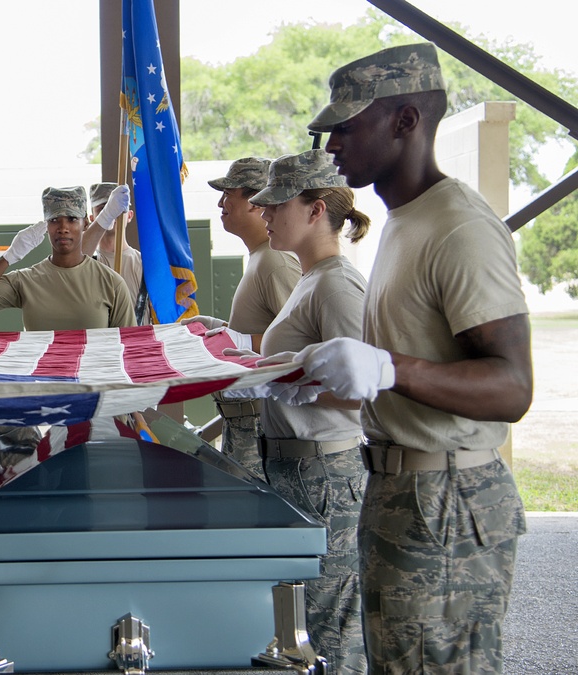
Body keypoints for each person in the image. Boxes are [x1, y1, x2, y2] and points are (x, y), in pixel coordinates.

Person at [296, 43, 532, 672]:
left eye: (348, 125)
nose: (332, 144)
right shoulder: (405, 219)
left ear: (406, 120)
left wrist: (389, 368)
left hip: (447, 499)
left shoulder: (460, 226)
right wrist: (310, 381)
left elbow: (512, 385)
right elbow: (419, 363)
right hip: (400, 488)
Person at [228, 148, 371, 674]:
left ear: (315, 210)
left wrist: (292, 386)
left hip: (326, 470)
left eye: (276, 204)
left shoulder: (335, 283)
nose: (264, 213)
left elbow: (367, 387)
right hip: (294, 465)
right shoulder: (310, 278)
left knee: (332, 629)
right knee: (304, 623)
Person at [184, 158, 302, 475]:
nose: (221, 203)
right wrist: (221, 330)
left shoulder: (276, 262)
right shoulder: (261, 258)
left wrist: (234, 341)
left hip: (262, 426)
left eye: (228, 193)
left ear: (255, 201)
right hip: (245, 423)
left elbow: (303, 342)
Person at [0, 185, 136, 330]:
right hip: (41, 373)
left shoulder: (111, 282)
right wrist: (8, 257)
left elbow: (128, 347)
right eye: (54, 220)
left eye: (72, 219)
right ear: (46, 225)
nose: (63, 227)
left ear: (85, 224)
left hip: (93, 373)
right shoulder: (27, 280)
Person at [81, 182, 149, 324]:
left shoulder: (146, 265)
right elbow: (71, 259)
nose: (112, 214)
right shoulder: (85, 263)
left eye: (118, 209)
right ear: (92, 219)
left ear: (129, 215)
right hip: (100, 343)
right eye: (103, 210)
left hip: (137, 343)